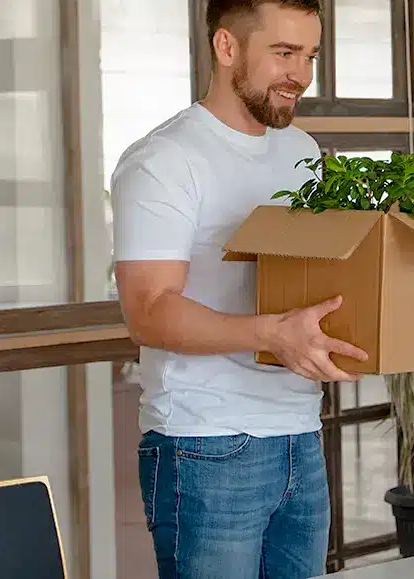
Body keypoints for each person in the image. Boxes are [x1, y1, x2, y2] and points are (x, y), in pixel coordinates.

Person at [111, 1, 367, 577]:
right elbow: (149, 312)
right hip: (205, 442)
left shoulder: (303, 153)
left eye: (309, 56)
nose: (300, 74)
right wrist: (271, 335)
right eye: (283, 53)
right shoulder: (165, 160)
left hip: (300, 432)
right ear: (227, 48)